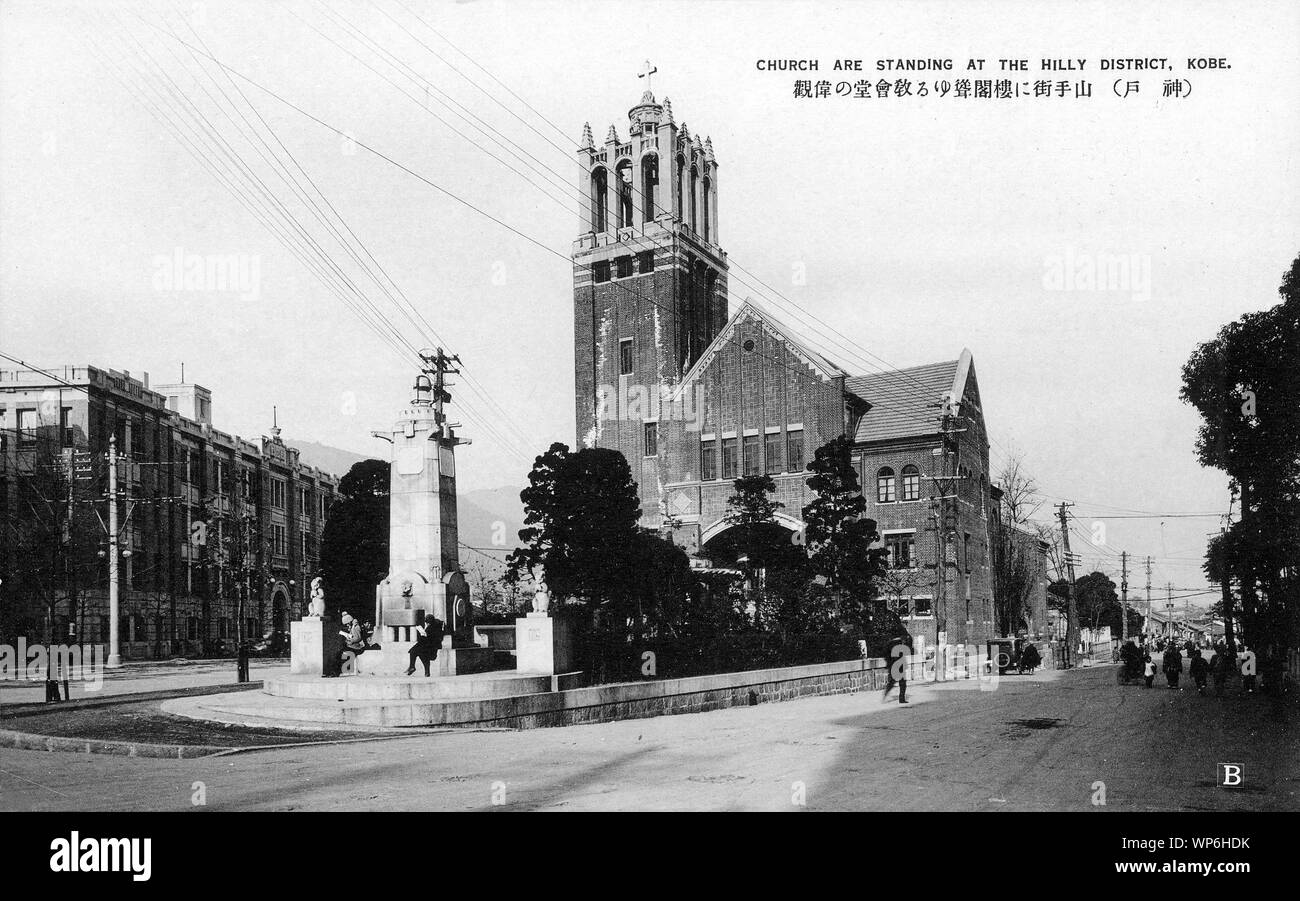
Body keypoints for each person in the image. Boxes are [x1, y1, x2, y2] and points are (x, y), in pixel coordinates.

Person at [881, 631, 912, 704]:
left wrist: (888, 663)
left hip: (892, 665)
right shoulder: (900, 643)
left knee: (891, 682)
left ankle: (885, 696)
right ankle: (901, 699)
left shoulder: (889, 643)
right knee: (902, 683)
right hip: (899, 665)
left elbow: (885, 654)